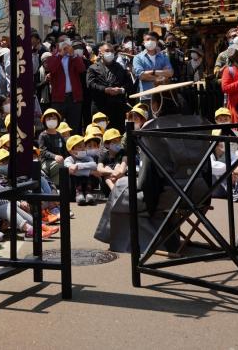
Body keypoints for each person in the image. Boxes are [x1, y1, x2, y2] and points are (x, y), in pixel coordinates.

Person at [95, 83, 209, 253]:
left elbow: (146, 181)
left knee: (121, 187)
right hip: (202, 191)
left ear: (155, 105)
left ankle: (130, 241)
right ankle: (166, 234)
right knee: (128, 186)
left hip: (170, 194)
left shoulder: (152, 127)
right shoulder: (200, 122)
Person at [86, 44, 132, 130]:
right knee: (100, 132)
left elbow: (128, 83)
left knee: (118, 132)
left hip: (117, 107)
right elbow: (91, 84)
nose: (110, 53)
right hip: (100, 107)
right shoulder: (93, 68)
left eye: (112, 51)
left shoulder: (120, 67)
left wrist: (121, 90)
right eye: (107, 51)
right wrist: (105, 90)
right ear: (100, 53)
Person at [45, 37, 86, 133]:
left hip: (74, 98)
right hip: (59, 99)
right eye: (62, 41)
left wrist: (73, 54)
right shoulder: (52, 58)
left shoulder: (74, 57)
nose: (65, 44)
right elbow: (51, 68)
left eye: (66, 41)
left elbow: (81, 69)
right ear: (57, 45)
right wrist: (60, 55)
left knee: (74, 127)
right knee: (57, 126)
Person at [64, 135, 98, 205]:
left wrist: (78, 165)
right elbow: (72, 170)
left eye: (83, 146)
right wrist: (89, 172)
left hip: (87, 184)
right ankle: (79, 194)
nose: (83, 149)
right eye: (79, 147)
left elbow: (94, 165)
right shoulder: (68, 159)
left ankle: (88, 193)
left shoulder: (87, 157)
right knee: (72, 175)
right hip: (73, 189)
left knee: (91, 174)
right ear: (71, 151)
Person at [37, 108, 65, 186]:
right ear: (44, 121)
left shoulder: (59, 135)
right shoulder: (43, 135)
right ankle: (53, 187)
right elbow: (42, 151)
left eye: (54, 118)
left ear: (58, 121)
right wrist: (55, 156)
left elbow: (64, 149)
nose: (52, 120)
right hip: (46, 162)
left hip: (59, 161)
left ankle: (55, 187)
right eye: (49, 118)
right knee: (59, 166)